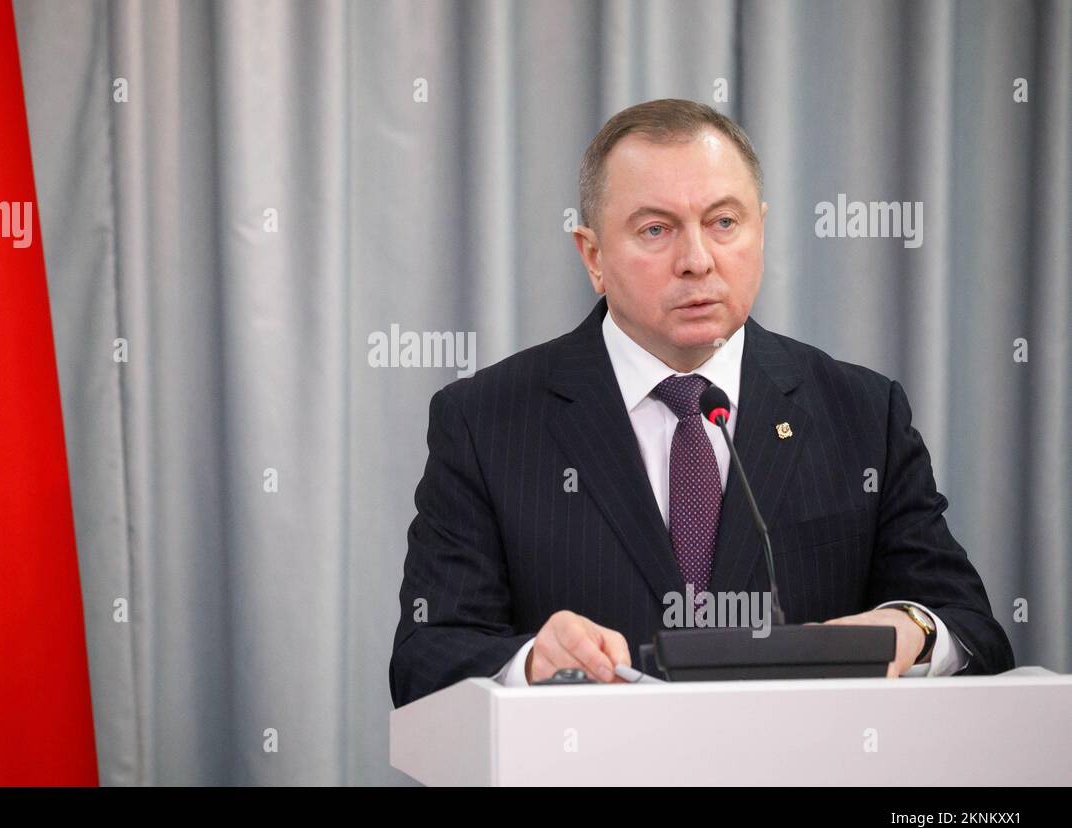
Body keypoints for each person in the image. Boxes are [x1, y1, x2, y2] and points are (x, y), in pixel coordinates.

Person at [389, 99, 1014, 708]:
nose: (697, 261)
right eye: (655, 230)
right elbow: (426, 657)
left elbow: (974, 630)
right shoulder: (486, 420)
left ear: (760, 230)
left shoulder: (861, 412)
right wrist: (532, 664)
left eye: (723, 222)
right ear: (593, 256)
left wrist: (912, 628)